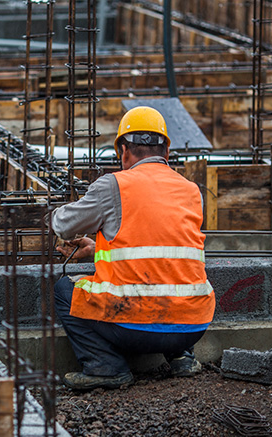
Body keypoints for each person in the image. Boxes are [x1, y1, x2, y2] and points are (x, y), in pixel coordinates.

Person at [50, 106, 215, 391]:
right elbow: (162, 245)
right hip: (193, 326)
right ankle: (182, 358)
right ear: (166, 151)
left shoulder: (115, 185)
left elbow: (64, 225)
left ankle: (106, 368)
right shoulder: (191, 190)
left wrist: (53, 212)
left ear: (124, 151)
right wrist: (97, 247)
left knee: (64, 290)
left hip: (133, 327)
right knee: (176, 280)